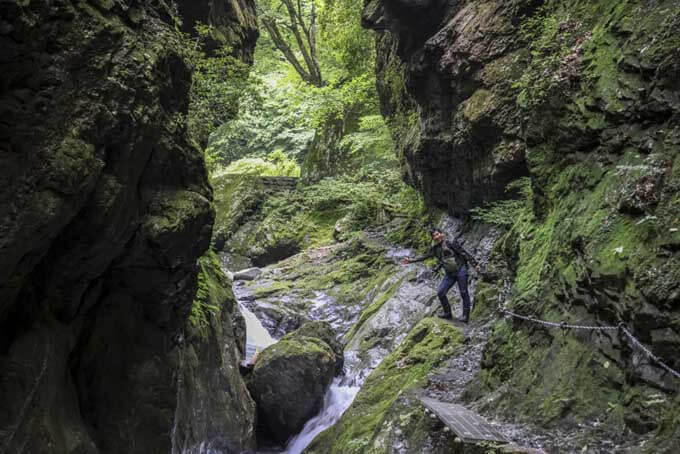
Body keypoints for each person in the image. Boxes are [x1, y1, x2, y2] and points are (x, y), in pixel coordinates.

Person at [401, 228, 480, 322]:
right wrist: (411, 260)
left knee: (463, 292)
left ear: (442, 234)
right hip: (450, 274)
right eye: (434, 236)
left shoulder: (450, 243)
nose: (436, 237)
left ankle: (465, 316)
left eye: (437, 234)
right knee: (441, 292)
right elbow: (424, 256)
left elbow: (463, 253)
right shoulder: (435, 249)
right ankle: (448, 314)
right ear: (433, 238)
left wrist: (475, 264)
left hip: (461, 270)